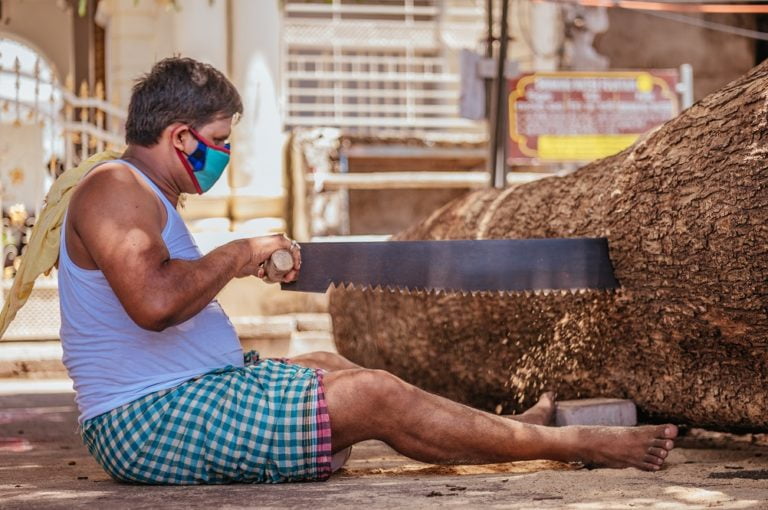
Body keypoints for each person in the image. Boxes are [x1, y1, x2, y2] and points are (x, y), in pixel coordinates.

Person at [61, 57, 677, 485]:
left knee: (334, 366)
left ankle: (505, 431)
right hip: (149, 421)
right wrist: (238, 253)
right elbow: (153, 302)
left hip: (188, 395)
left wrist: (231, 264)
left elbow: (158, 292)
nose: (225, 152)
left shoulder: (140, 191)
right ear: (180, 137)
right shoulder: (117, 188)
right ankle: (576, 446)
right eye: (219, 139)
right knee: (377, 397)